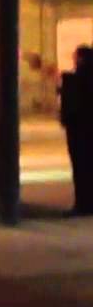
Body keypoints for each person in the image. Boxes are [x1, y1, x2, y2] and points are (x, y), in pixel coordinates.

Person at [59, 46, 93, 216]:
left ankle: (84, 204)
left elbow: (72, 89)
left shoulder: (81, 78)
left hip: (80, 129)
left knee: (81, 169)